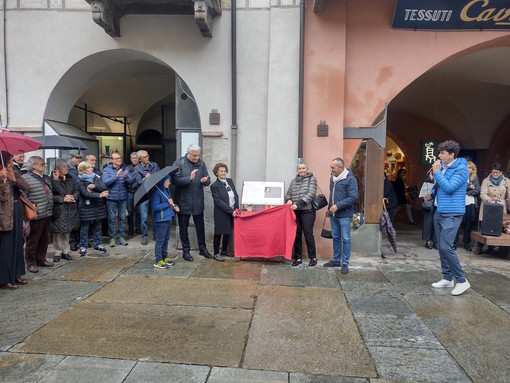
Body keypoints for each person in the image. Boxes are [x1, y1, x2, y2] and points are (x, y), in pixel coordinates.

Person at [425, 140, 470, 296]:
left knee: (446, 247)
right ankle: (447, 277)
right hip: (439, 211)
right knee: (441, 247)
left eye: (443, 153)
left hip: (452, 213)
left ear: (452, 154)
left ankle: (462, 280)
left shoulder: (462, 169)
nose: (439, 156)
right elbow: (441, 187)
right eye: (440, 152)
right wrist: (431, 194)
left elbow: (450, 188)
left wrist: (437, 172)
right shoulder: (443, 167)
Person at [172, 144, 212, 261]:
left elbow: (208, 179)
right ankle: (186, 250)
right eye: (194, 155)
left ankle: (202, 248)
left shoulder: (201, 163)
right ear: (188, 153)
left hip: (198, 201)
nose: (196, 157)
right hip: (183, 201)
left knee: (200, 226)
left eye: (198, 155)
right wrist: (188, 179)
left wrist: (206, 181)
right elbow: (175, 180)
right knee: (183, 227)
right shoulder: (179, 163)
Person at [0, 152, 30, 289]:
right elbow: (3, 197)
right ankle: (5, 278)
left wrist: (14, 179)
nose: (12, 163)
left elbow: (26, 187)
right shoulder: (1, 174)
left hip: (17, 209)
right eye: (10, 161)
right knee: (7, 245)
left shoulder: (15, 173)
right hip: (5, 212)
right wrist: (4, 181)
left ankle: (17, 273)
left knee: (18, 242)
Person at [323, 158, 358, 273]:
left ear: (341, 168)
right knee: (336, 237)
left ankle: (345, 263)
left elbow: (353, 198)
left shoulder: (350, 179)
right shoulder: (332, 178)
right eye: (331, 167)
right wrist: (329, 209)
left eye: (333, 167)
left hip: (345, 214)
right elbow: (332, 195)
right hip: (334, 215)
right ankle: (336, 260)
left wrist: (337, 206)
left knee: (346, 238)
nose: (331, 169)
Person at [22, 156, 55, 273]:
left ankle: (41, 259)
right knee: (33, 240)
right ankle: (31, 263)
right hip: (36, 213)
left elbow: (52, 191)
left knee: (44, 239)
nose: (44, 166)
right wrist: (32, 207)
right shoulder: (26, 178)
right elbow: (24, 195)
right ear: (34, 166)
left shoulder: (45, 178)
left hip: (47, 212)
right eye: (42, 164)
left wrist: (54, 179)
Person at [285, 162, 317, 267]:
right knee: (296, 235)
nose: (302, 170)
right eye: (299, 168)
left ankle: (313, 258)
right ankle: (298, 258)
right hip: (295, 213)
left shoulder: (312, 179)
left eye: (303, 168)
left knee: (308, 234)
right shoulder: (293, 181)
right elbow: (288, 193)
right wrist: (289, 200)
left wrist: (298, 204)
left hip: (308, 212)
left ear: (307, 169)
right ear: (297, 170)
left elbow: (311, 193)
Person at [474, 163, 510, 255]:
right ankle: (479, 247)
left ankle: (498, 248)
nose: (494, 174)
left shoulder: (506, 181)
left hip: (501, 206)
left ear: (501, 172)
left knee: (500, 227)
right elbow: (482, 194)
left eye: (497, 172)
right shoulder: (486, 180)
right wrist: (490, 200)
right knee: (484, 226)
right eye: (493, 172)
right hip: (488, 206)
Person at [76, 161, 109, 256]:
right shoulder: (79, 180)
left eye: (91, 167)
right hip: (86, 207)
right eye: (88, 167)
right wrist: (99, 195)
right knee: (85, 227)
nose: (91, 168)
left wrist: (95, 186)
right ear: (82, 170)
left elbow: (103, 187)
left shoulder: (96, 177)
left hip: (97, 206)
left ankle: (98, 244)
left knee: (97, 226)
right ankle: (83, 245)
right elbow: (85, 194)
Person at [50, 159, 79, 262]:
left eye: (67, 166)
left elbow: (76, 190)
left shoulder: (70, 179)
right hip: (59, 208)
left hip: (70, 208)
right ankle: (57, 252)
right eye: (64, 167)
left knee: (67, 230)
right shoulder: (51, 179)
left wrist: (73, 197)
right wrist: (63, 199)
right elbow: (52, 194)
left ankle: (65, 251)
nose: (66, 169)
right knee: (58, 231)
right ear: (57, 168)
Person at [102, 152, 133, 247]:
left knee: (122, 218)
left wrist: (126, 177)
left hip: (123, 197)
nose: (119, 160)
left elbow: (131, 181)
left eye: (120, 158)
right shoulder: (107, 170)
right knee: (111, 219)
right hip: (111, 198)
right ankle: (112, 238)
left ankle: (121, 237)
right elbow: (105, 182)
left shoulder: (125, 168)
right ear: (111, 160)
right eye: (116, 158)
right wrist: (116, 177)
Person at [210, 162, 239, 262]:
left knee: (228, 231)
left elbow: (235, 195)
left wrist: (236, 209)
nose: (223, 173)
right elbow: (218, 201)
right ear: (216, 173)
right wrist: (230, 211)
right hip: (221, 212)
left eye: (224, 171)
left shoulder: (230, 181)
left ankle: (224, 250)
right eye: (221, 171)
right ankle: (216, 253)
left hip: (232, 211)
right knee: (219, 232)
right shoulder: (214, 186)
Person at [150, 176, 180, 268]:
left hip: (168, 218)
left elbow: (170, 203)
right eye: (167, 181)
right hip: (161, 220)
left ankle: (164, 258)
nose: (169, 183)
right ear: (163, 182)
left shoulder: (166, 191)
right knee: (160, 241)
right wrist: (167, 203)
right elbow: (155, 207)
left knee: (166, 240)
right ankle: (158, 261)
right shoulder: (157, 193)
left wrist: (174, 206)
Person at [134, 150, 160, 245]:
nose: (147, 158)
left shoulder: (154, 165)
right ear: (140, 159)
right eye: (144, 157)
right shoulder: (137, 168)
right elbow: (138, 182)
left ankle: (155, 234)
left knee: (155, 215)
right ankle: (144, 236)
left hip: (154, 192)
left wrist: (154, 178)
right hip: (143, 194)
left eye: (147, 156)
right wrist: (146, 178)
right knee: (144, 217)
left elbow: (159, 176)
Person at [460, 161, 480, 251]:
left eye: (470, 168)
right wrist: (470, 187)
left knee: (469, 223)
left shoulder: (475, 178)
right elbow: (460, 188)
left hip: (471, 203)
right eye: (467, 167)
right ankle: (454, 242)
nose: (468, 169)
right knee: (459, 222)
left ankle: (466, 242)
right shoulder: (460, 176)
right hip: (460, 202)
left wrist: (468, 192)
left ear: (473, 169)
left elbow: (478, 190)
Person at [67, 150, 82, 251]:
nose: (79, 160)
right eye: (77, 158)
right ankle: (72, 241)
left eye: (80, 158)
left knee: (80, 219)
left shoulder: (80, 168)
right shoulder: (67, 168)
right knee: (72, 220)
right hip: (71, 196)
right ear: (71, 158)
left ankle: (81, 240)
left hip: (80, 196)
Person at [126, 152, 141, 237]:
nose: (135, 160)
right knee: (130, 211)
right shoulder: (127, 168)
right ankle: (130, 228)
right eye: (133, 158)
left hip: (139, 191)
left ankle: (138, 227)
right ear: (131, 159)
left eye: (136, 158)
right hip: (130, 191)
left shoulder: (142, 167)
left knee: (139, 210)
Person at [421, 171, 436, 250]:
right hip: (429, 203)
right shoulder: (428, 176)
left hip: (438, 203)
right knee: (428, 222)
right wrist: (431, 179)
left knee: (436, 223)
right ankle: (428, 241)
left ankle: (435, 241)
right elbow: (425, 189)